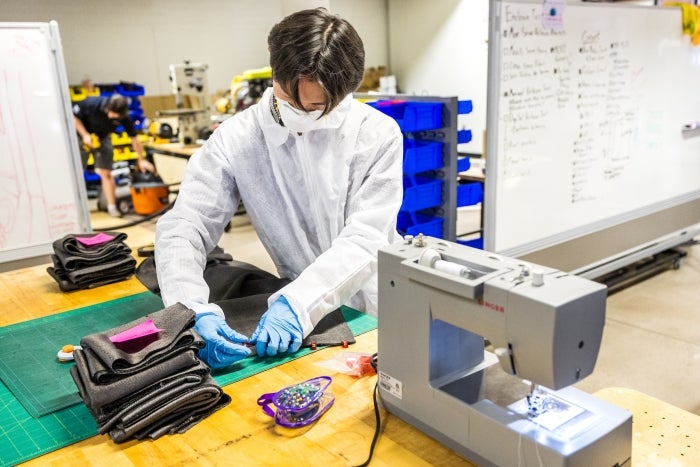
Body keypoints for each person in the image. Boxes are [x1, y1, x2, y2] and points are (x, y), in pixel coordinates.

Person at [154, 7, 404, 369]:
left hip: (374, 303)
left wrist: (299, 303)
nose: (302, 113)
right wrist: (190, 309)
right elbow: (185, 226)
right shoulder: (237, 139)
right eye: (291, 99)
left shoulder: (376, 134)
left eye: (318, 106)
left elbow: (367, 236)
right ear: (274, 68)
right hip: (293, 303)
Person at [73, 93, 155, 217]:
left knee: (106, 172)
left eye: (115, 116)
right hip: (81, 137)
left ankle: (112, 206)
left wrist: (141, 159)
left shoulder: (124, 117)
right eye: (110, 113)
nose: (111, 117)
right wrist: (84, 135)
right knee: (77, 172)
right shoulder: (91, 103)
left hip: (102, 137)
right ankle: (76, 207)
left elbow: (134, 138)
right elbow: (74, 117)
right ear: (107, 107)